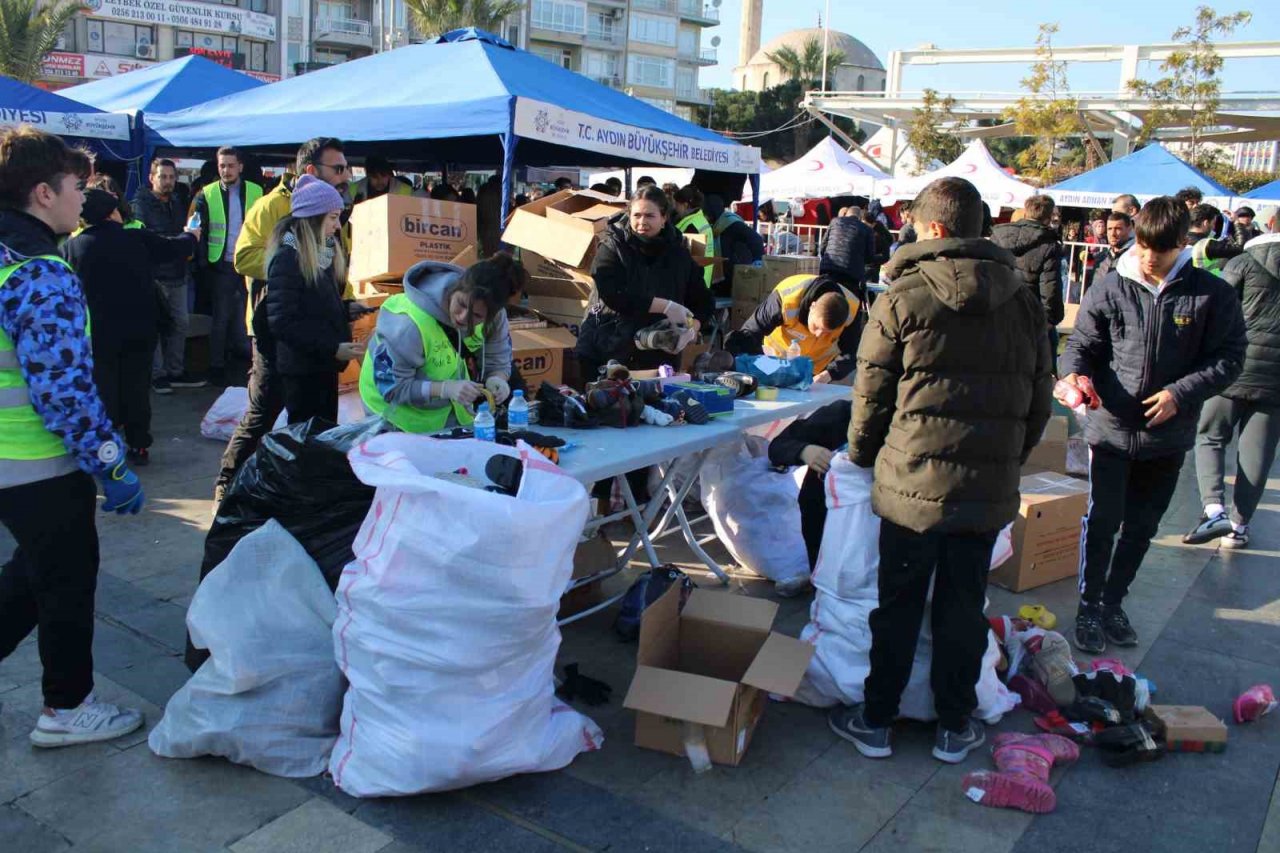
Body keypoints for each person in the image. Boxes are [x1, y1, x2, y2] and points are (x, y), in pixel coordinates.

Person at [829, 176, 1053, 764]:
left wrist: (862, 455)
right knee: (962, 607)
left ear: (931, 228)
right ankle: (954, 725)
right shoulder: (1025, 300)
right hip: (987, 486)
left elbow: (870, 395)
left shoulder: (901, 296)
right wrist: (1010, 457)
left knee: (897, 607)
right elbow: (1039, 399)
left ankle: (877, 719)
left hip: (910, 486)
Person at [0, 125, 147, 747]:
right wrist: (109, 463)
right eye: (73, 188)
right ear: (41, 192)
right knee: (66, 581)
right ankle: (66, 708)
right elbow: (63, 391)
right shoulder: (41, 273)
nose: (82, 200)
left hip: (9, 464)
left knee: (31, 572)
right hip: (38, 463)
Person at [1060, 197, 1245, 655]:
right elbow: (1082, 343)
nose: (1146, 258)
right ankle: (1087, 605)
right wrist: (1073, 374)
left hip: (1168, 436)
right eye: (1142, 246)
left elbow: (1229, 358)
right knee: (1103, 522)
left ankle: (1112, 602)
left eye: (1158, 250)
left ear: (1182, 244)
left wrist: (1180, 393)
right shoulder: (1109, 285)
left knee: (1142, 528)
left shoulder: (1211, 294)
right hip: (1109, 429)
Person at [214, 137, 351, 506]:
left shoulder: (334, 212)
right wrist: (289, 268)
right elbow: (242, 258)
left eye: (346, 169)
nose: (346, 176)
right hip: (274, 333)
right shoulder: (272, 208)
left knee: (310, 422)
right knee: (264, 411)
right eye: (337, 169)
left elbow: (333, 271)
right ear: (312, 171)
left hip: (309, 337)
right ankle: (230, 480)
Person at [61, 189, 198, 465]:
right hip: (140, 328)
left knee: (105, 389)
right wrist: (190, 235)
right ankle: (138, 444)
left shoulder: (73, 247)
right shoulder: (135, 237)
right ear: (113, 213)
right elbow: (174, 249)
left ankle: (106, 446)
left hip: (99, 333)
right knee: (137, 389)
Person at [1185, 225, 1280, 550]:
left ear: (1269, 226)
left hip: (1232, 367)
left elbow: (1213, 310)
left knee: (1210, 436)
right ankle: (1238, 527)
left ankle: (1214, 509)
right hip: (1276, 381)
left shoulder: (1242, 261)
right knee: (1258, 453)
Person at [574, 185, 713, 381]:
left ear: (664, 218)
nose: (642, 222)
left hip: (659, 358)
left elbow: (704, 300)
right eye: (637, 215)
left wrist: (691, 330)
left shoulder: (678, 253)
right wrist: (666, 306)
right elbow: (613, 295)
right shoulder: (612, 246)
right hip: (609, 350)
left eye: (649, 216)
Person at [360, 257, 514, 432]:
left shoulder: (495, 316)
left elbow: (498, 355)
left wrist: (498, 378)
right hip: (394, 416)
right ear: (454, 290)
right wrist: (444, 389)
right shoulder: (408, 326)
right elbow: (393, 388)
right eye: (461, 304)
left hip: (446, 412)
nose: (463, 317)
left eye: (477, 316)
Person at [264, 176, 364, 425]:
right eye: (332, 217)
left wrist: (345, 309)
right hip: (302, 371)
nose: (338, 226)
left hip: (322, 366)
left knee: (321, 437)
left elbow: (312, 306)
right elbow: (282, 322)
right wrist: (333, 348)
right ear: (313, 218)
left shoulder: (320, 254)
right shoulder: (288, 258)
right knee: (306, 442)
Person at [726, 223, 866, 384]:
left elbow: (852, 351)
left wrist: (829, 374)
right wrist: (763, 367)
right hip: (776, 360)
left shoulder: (851, 309)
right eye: (817, 327)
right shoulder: (786, 298)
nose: (819, 334)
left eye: (828, 332)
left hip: (817, 370)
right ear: (812, 306)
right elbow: (750, 333)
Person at [135, 158, 205, 394]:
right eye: (162, 177)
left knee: (180, 323)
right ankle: (158, 374)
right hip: (154, 276)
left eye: (171, 177)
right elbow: (149, 239)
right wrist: (181, 241)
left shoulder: (178, 201)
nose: (167, 182)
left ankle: (175, 371)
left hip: (178, 273)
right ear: (151, 178)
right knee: (155, 326)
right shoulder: (140, 204)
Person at [195, 146, 261, 386]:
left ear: (240, 166)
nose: (226, 170)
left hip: (249, 264)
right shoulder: (207, 193)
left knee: (251, 317)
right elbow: (198, 230)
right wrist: (203, 263)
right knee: (221, 319)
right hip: (221, 264)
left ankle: (253, 365)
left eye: (231, 165)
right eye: (222, 165)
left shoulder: (256, 191)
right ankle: (217, 367)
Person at [767, 398, 852, 571]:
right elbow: (778, 447)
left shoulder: (911, 430)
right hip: (823, 527)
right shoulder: (843, 415)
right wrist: (804, 451)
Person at [991, 195, 1065, 337]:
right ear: (1049, 218)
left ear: (1025, 212)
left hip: (997, 311)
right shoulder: (1049, 245)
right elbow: (1050, 288)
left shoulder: (998, 236)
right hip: (1029, 317)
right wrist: (1051, 319)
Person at [702, 193, 763, 296]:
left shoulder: (732, 224)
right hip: (724, 280)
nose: (705, 217)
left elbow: (756, 239)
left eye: (706, 213)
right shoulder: (716, 226)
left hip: (735, 279)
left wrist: (757, 262)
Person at [671, 185, 717, 288]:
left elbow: (691, 261)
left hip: (693, 285)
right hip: (702, 281)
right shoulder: (700, 220)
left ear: (686, 205)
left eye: (677, 205)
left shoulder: (692, 226)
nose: (675, 208)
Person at [1188, 204, 1241, 276]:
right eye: (1213, 223)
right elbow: (1240, 248)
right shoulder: (1206, 244)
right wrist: (1237, 222)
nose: (1213, 227)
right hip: (1205, 285)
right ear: (1205, 223)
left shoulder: (1178, 240)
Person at [1092, 211, 1135, 284]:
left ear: (1129, 229)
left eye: (1118, 229)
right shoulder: (1102, 257)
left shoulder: (1135, 258)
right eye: (1109, 229)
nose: (1112, 234)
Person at [476, 174, 503, 257]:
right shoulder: (493, 195)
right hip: (493, 227)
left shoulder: (483, 192)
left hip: (486, 227)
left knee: (489, 252)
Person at [861, 209, 892, 283]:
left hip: (872, 263)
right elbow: (890, 239)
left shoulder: (876, 235)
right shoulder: (878, 229)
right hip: (875, 262)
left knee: (870, 282)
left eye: (865, 224)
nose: (863, 226)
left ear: (873, 224)